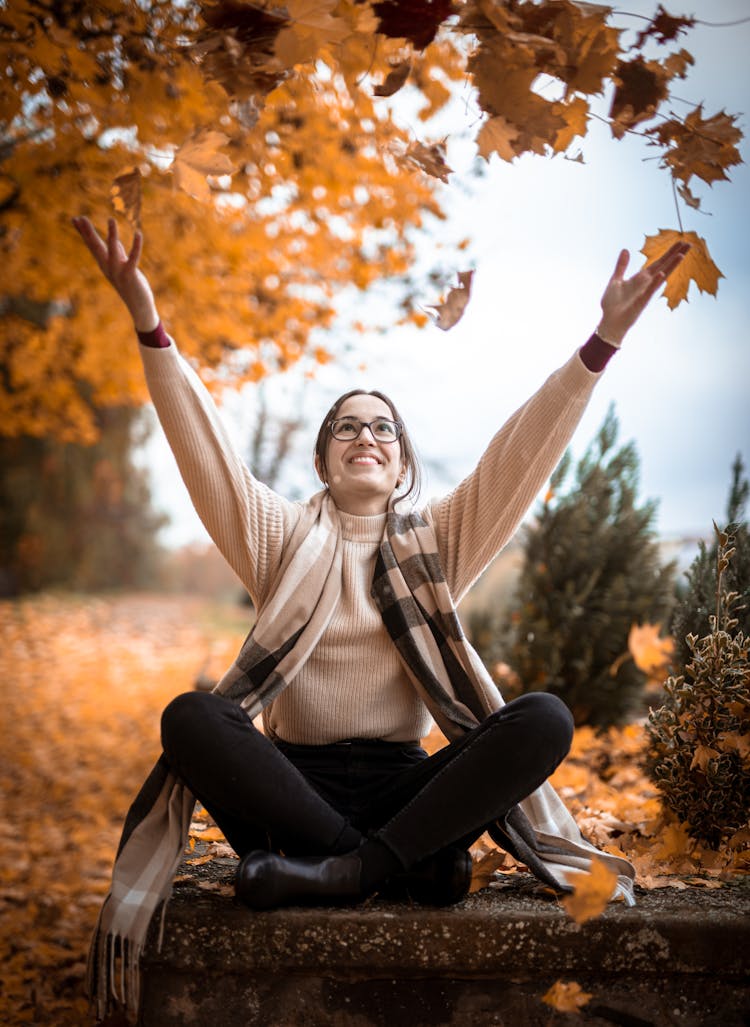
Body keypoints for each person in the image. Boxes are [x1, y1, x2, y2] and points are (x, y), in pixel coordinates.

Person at [72, 215, 688, 1019]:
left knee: (541, 718)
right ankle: (390, 866)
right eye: (347, 426)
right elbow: (208, 454)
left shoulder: (437, 543)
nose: (366, 434)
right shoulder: (281, 535)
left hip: (406, 785)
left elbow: (519, 456)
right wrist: (150, 324)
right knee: (193, 716)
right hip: (293, 786)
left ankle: (334, 870)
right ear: (325, 457)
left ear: (400, 463)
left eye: (383, 426)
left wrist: (601, 340)